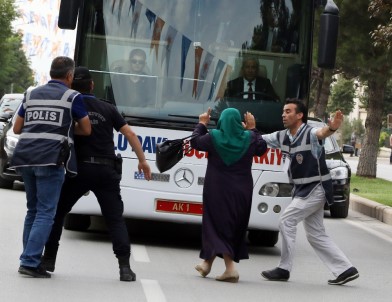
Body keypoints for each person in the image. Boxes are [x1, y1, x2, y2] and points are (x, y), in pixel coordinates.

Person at [41, 67, 152, 282]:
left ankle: (48, 260)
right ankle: (125, 269)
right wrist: (142, 161)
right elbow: (129, 133)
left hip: (78, 171)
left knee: (57, 214)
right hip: (105, 171)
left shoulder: (71, 105)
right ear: (92, 85)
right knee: (115, 220)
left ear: (72, 85)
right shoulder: (107, 108)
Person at [260, 99, 359, 286]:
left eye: (288, 111)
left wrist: (332, 128)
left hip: (316, 188)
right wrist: (248, 130)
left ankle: (284, 269)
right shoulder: (282, 136)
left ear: (300, 115)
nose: (283, 114)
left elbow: (321, 132)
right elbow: (261, 139)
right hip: (303, 191)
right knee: (316, 234)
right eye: (283, 111)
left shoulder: (310, 133)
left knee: (286, 220)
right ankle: (346, 269)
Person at [11, 57, 92, 278]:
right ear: (70, 76)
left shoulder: (30, 94)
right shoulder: (72, 96)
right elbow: (86, 129)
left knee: (33, 210)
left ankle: (28, 257)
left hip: (26, 157)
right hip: (50, 158)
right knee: (46, 212)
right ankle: (30, 261)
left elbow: (17, 128)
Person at [191, 107, 268, 283]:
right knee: (231, 225)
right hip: (242, 191)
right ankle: (207, 263)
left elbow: (195, 142)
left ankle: (230, 268)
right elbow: (262, 148)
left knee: (215, 224)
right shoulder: (249, 138)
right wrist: (253, 128)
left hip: (216, 189)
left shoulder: (214, 136)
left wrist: (202, 123)